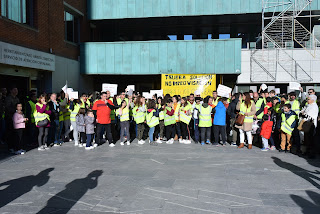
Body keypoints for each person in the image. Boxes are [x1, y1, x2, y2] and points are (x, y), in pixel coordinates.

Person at [4, 87, 20, 153]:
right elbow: (8, 108)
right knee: (10, 133)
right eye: (14, 90)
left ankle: (15, 146)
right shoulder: (8, 98)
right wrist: (16, 110)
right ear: (11, 91)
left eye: (17, 90)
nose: (16, 91)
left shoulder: (17, 98)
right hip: (10, 117)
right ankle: (10, 147)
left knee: (16, 133)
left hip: (16, 118)